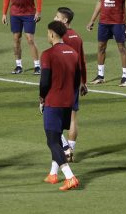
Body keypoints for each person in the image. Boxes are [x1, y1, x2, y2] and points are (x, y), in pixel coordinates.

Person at [40, 21, 80, 191]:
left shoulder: (48, 54)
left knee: (52, 141)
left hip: (53, 101)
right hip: (67, 102)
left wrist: (42, 98)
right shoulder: (73, 53)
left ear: (52, 34)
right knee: (56, 137)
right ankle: (53, 174)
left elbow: (45, 81)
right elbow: (77, 80)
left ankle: (70, 177)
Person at [54, 7, 88, 161]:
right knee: (73, 118)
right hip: (75, 81)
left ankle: (66, 149)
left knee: (52, 118)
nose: (54, 19)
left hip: (61, 83)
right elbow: (82, 62)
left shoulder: (59, 37)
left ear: (65, 20)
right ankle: (70, 151)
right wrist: (83, 82)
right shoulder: (77, 37)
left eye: (57, 17)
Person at [1, 0, 42, 75]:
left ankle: (37, 66)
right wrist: (4, 13)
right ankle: (18, 65)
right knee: (16, 39)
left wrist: (38, 11)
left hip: (29, 12)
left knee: (30, 39)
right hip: (15, 13)